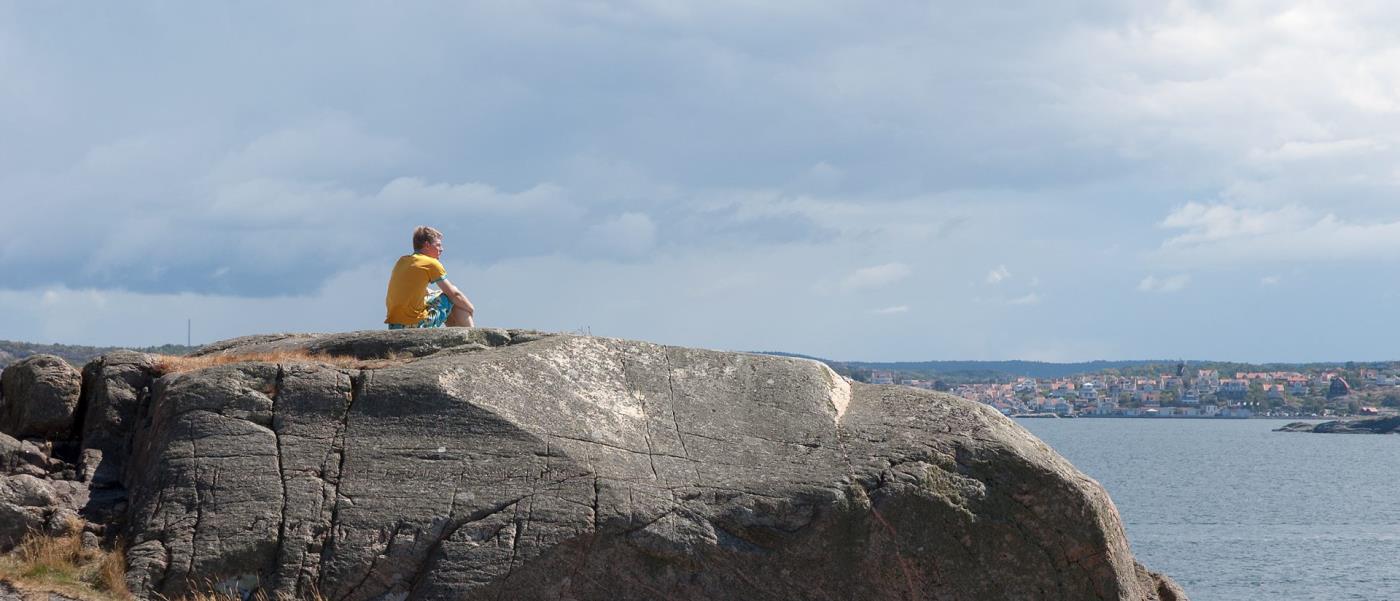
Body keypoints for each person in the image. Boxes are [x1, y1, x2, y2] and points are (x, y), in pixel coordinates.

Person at [384, 226, 475, 329]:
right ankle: (471, 337)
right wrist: (470, 308)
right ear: (427, 245)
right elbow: (454, 294)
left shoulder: (402, 261)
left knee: (440, 295)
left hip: (395, 326)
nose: (442, 249)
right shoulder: (431, 263)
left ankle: (456, 334)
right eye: (438, 245)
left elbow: (416, 290)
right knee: (454, 298)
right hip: (416, 325)